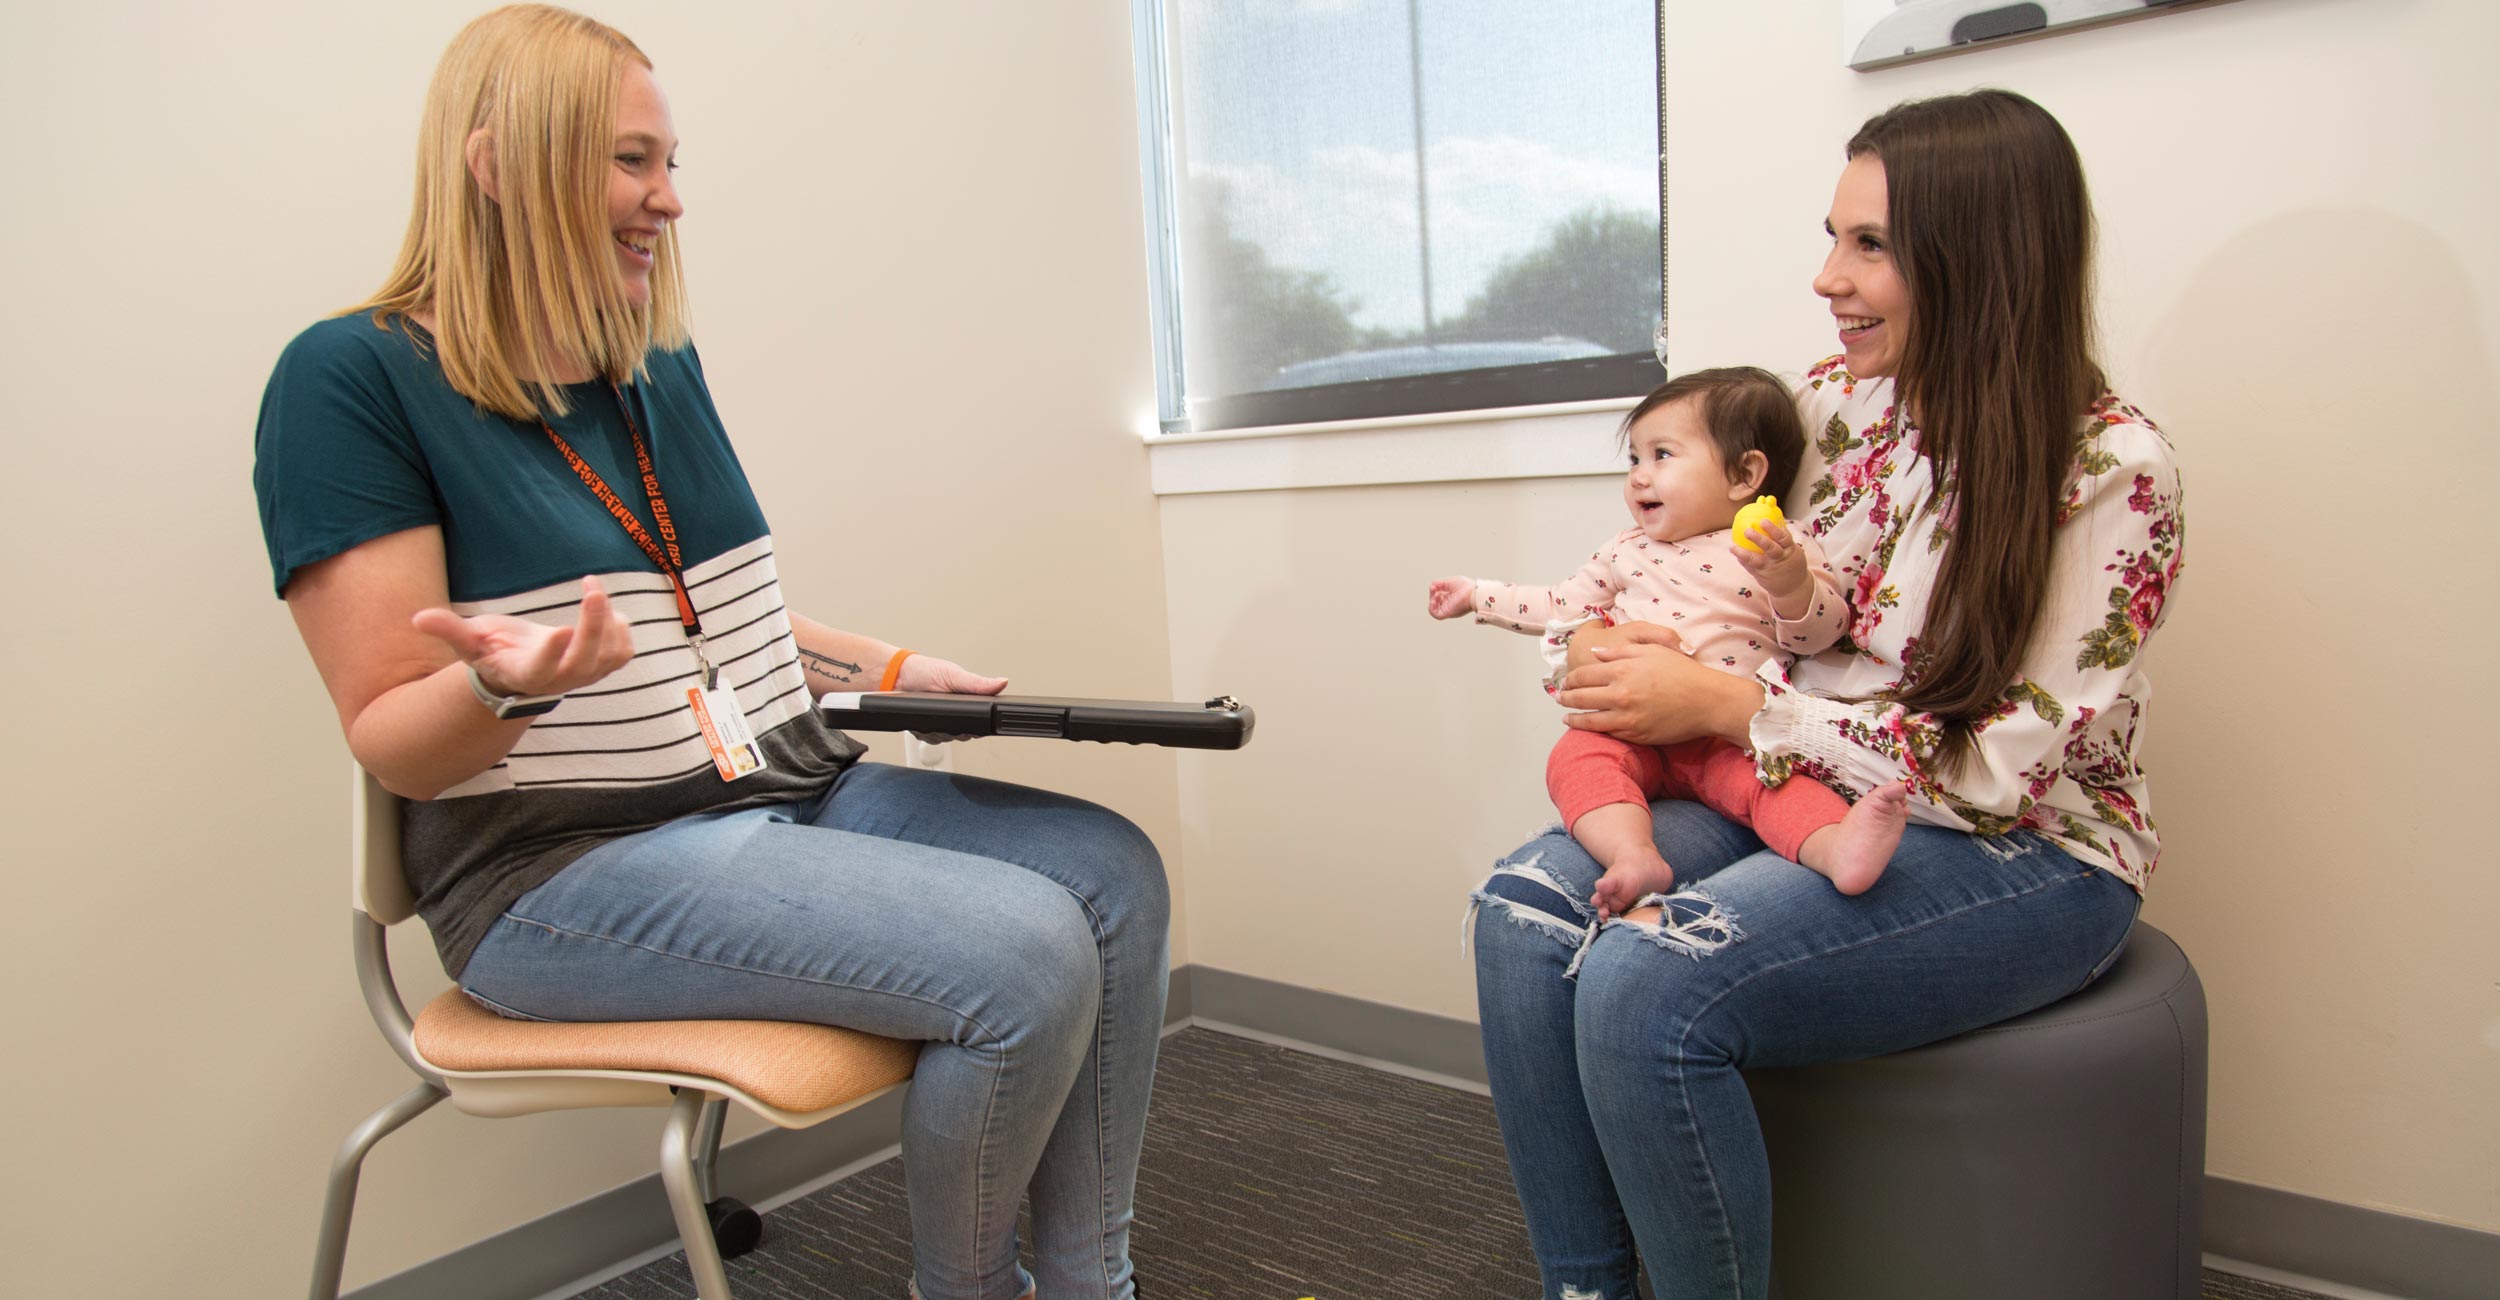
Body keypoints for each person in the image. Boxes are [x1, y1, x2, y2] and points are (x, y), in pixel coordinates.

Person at [251, 9, 1164, 1299]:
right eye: (632, 162)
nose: (668, 201)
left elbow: (706, 617)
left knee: (1113, 873)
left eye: (671, 162)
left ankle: (1089, 1281)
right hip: (558, 868)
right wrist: (505, 684)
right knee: (1025, 951)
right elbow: (390, 731)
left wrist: (890, 662)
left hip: (778, 785)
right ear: (502, 167)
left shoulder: (649, 363)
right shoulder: (351, 379)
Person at [1468, 88, 2182, 1300]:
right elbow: (1731, 594)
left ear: (1978, 258)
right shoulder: (1840, 407)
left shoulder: (2114, 469)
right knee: (1521, 916)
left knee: (1647, 985)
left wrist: (1729, 708)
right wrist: (1613, 653)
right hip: (1791, 789)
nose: (1824, 278)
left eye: (1867, 246)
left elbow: (1992, 769)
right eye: (1831, 237)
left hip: (2024, 849)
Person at [1426, 366, 1909, 913]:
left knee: (1772, 784)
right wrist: (1478, 596)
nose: (1638, 476)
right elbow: (1562, 605)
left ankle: (1834, 847)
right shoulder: (1626, 549)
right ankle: (1632, 854)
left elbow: (1819, 635)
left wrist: (1789, 581)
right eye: (1634, 458)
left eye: (1662, 456)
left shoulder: (1779, 547)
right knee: (1576, 759)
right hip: (1631, 733)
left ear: (1744, 474)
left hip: (1724, 736)